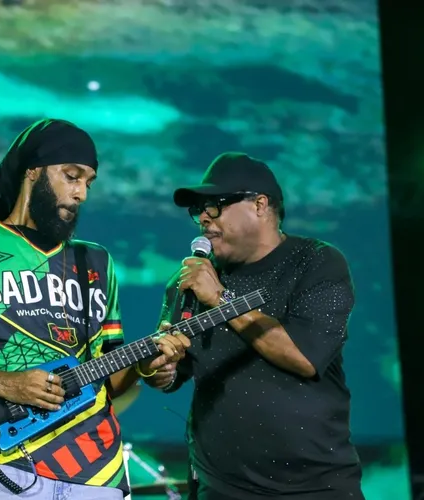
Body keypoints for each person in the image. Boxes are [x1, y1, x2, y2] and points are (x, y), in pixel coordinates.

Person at [0, 119, 190, 500]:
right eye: (71, 176)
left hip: (99, 470)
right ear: (32, 172)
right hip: (7, 464)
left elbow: (110, 380)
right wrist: (4, 383)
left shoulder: (96, 261)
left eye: (88, 182)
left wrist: (145, 366)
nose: (81, 193)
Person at [149, 152, 364, 500]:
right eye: (198, 209)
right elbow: (173, 375)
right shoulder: (190, 280)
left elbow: (305, 358)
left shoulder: (315, 262)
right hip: (219, 487)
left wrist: (220, 299)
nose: (203, 217)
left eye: (215, 205)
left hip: (313, 487)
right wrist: (158, 368)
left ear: (260, 205)